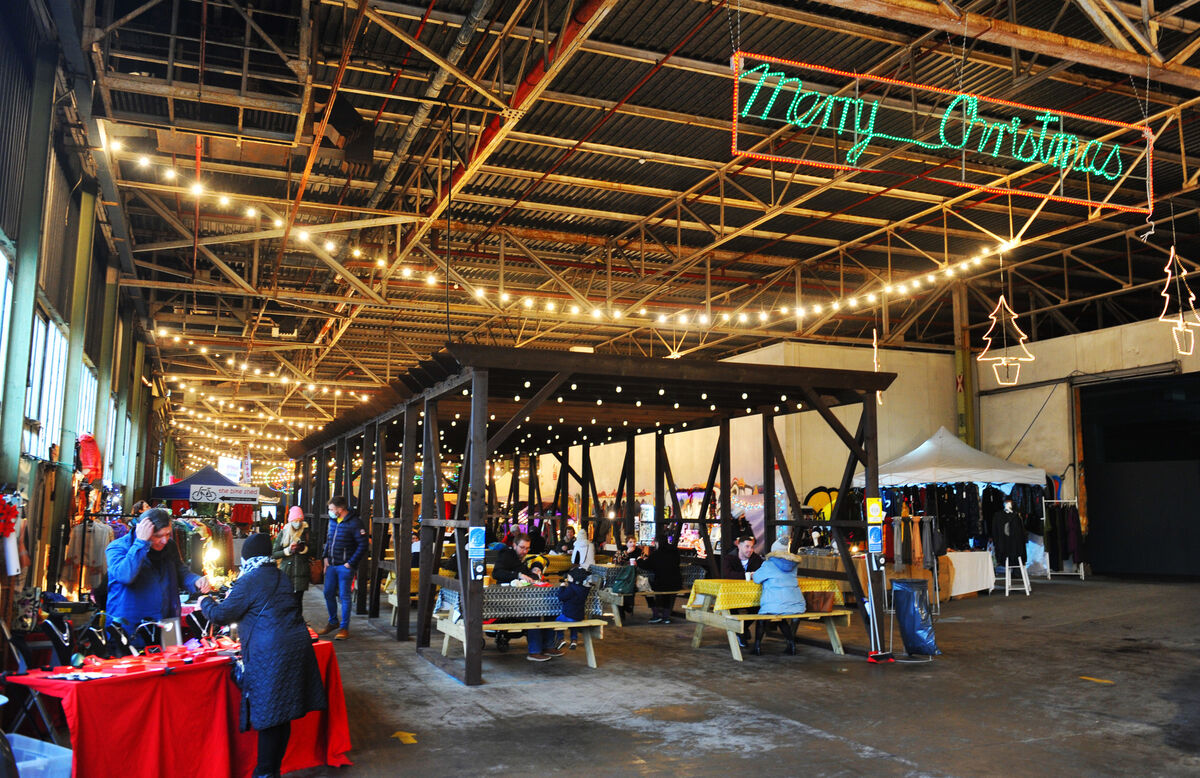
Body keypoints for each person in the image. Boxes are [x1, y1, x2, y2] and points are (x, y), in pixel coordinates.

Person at [200, 533, 327, 778]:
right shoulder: (278, 574)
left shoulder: (250, 580)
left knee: (271, 716)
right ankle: (272, 771)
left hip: (272, 654)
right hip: (295, 649)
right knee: (283, 714)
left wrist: (205, 601)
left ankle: (264, 773)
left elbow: (221, 615)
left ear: (246, 555)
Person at [105, 507, 212, 636]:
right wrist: (141, 543)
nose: (164, 540)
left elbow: (180, 572)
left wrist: (196, 581)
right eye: (158, 536)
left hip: (165, 623)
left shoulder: (169, 546)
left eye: (167, 534)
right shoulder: (117, 547)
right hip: (130, 626)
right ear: (142, 530)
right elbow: (125, 576)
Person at [490, 534, 561, 661]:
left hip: (522, 598)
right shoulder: (506, 554)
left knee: (551, 608)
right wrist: (518, 575)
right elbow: (497, 573)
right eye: (522, 547)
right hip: (507, 599)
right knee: (535, 612)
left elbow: (529, 575)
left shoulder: (520, 559)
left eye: (527, 548)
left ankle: (548, 646)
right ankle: (534, 651)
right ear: (514, 545)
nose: (525, 551)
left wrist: (536, 569)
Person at [318, 495, 368, 640]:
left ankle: (344, 627)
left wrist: (350, 563)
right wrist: (325, 557)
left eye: (332, 509)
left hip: (345, 566)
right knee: (328, 593)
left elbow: (363, 544)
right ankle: (333, 621)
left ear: (340, 509)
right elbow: (329, 540)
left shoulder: (355, 523)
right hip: (331, 565)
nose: (330, 511)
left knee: (345, 596)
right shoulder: (333, 521)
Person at [751, 535, 807, 655]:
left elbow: (756, 578)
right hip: (796, 603)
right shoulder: (793, 565)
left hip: (775, 604)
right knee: (780, 616)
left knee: (761, 619)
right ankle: (791, 644)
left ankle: (757, 647)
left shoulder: (768, 564)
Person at [720, 534, 763, 646]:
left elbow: (761, 573)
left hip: (751, 595)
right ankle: (740, 632)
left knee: (759, 608)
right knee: (731, 608)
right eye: (747, 547)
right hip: (732, 594)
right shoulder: (729, 558)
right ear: (739, 546)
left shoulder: (756, 559)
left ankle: (741, 629)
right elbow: (727, 574)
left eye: (752, 547)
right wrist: (747, 575)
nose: (750, 550)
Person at [272, 506, 312, 621]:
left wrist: (303, 549)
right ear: (290, 521)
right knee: (286, 600)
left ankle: (297, 622)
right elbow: (275, 553)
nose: (297, 523)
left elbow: (314, 550)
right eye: (295, 521)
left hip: (301, 572)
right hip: (286, 572)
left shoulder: (307, 532)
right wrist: (288, 550)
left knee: (298, 600)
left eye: (300, 521)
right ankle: (287, 622)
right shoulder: (284, 532)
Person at [638, 535, 682, 624]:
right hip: (676, 584)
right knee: (667, 592)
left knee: (644, 588)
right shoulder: (675, 551)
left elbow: (645, 566)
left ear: (657, 543)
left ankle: (656, 614)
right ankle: (666, 617)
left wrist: (639, 560)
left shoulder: (656, 554)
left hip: (661, 584)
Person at [556, 566, 590, 651]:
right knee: (574, 622)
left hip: (568, 615)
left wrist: (562, 587)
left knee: (557, 620)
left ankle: (561, 639)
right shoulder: (585, 589)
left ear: (572, 578)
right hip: (579, 616)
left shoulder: (570, 589)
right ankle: (574, 640)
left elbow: (561, 597)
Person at [612, 536, 642, 618]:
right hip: (622, 575)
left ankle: (628, 607)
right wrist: (627, 552)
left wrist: (639, 561)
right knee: (622, 591)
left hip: (633, 575)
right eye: (630, 542)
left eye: (634, 542)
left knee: (630, 590)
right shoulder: (622, 550)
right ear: (626, 543)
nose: (633, 544)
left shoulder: (639, 551)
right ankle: (622, 611)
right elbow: (615, 560)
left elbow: (644, 559)